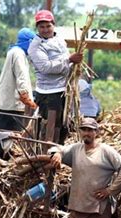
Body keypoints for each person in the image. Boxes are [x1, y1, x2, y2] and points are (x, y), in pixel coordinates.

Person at [28, 9, 83, 144]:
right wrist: (69, 60)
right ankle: (47, 155)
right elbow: (46, 67)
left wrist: (74, 67)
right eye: (42, 27)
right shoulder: (35, 46)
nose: (46, 29)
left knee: (62, 125)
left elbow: (66, 59)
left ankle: (58, 153)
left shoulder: (59, 39)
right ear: (37, 28)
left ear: (53, 25)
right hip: (48, 93)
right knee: (49, 127)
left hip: (63, 90)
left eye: (48, 26)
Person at [0, 28, 37, 158]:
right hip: (14, 106)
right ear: (28, 42)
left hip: (7, 104)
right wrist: (27, 98)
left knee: (1, 133)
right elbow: (21, 77)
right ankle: (2, 160)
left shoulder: (14, 52)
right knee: (8, 136)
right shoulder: (18, 53)